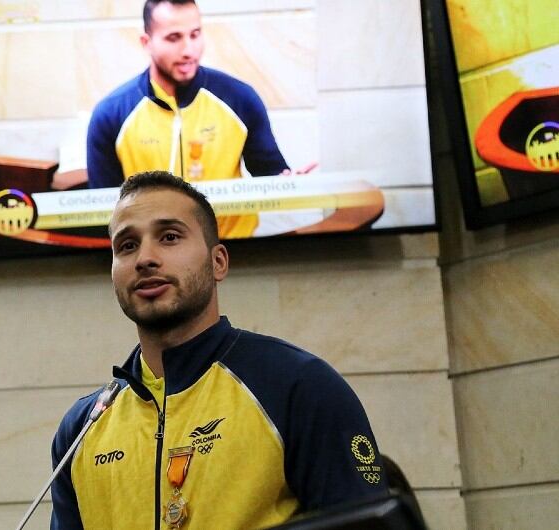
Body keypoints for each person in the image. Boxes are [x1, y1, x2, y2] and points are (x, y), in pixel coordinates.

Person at [50, 171, 387, 529]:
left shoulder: (299, 387)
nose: (145, 258)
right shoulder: (82, 429)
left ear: (218, 262)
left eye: (169, 237)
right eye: (127, 245)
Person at [86, 0, 290, 239]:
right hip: (153, 262)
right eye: (174, 38)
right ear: (146, 42)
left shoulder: (240, 98)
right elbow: (103, 214)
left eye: (195, 35)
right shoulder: (110, 114)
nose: (188, 50)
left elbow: (272, 176)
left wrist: (291, 183)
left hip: (233, 253)